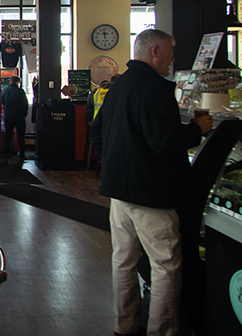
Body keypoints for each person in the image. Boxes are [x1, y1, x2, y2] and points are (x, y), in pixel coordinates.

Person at [91, 29, 213, 336]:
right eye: (170, 52)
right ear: (155, 51)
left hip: (119, 192)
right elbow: (166, 141)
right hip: (151, 194)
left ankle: (125, 325)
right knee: (166, 267)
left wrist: (120, 163)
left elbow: (96, 132)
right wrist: (197, 128)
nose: (173, 60)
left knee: (123, 262)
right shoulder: (156, 89)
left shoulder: (119, 86)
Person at [1, 75, 28, 163]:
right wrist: (24, 114)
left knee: (8, 136)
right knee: (21, 136)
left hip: (8, 115)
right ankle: (22, 155)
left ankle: (6, 157)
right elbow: (25, 104)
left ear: (10, 82)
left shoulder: (4, 91)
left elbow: (2, 102)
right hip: (19, 116)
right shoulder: (21, 91)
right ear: (18, 82)